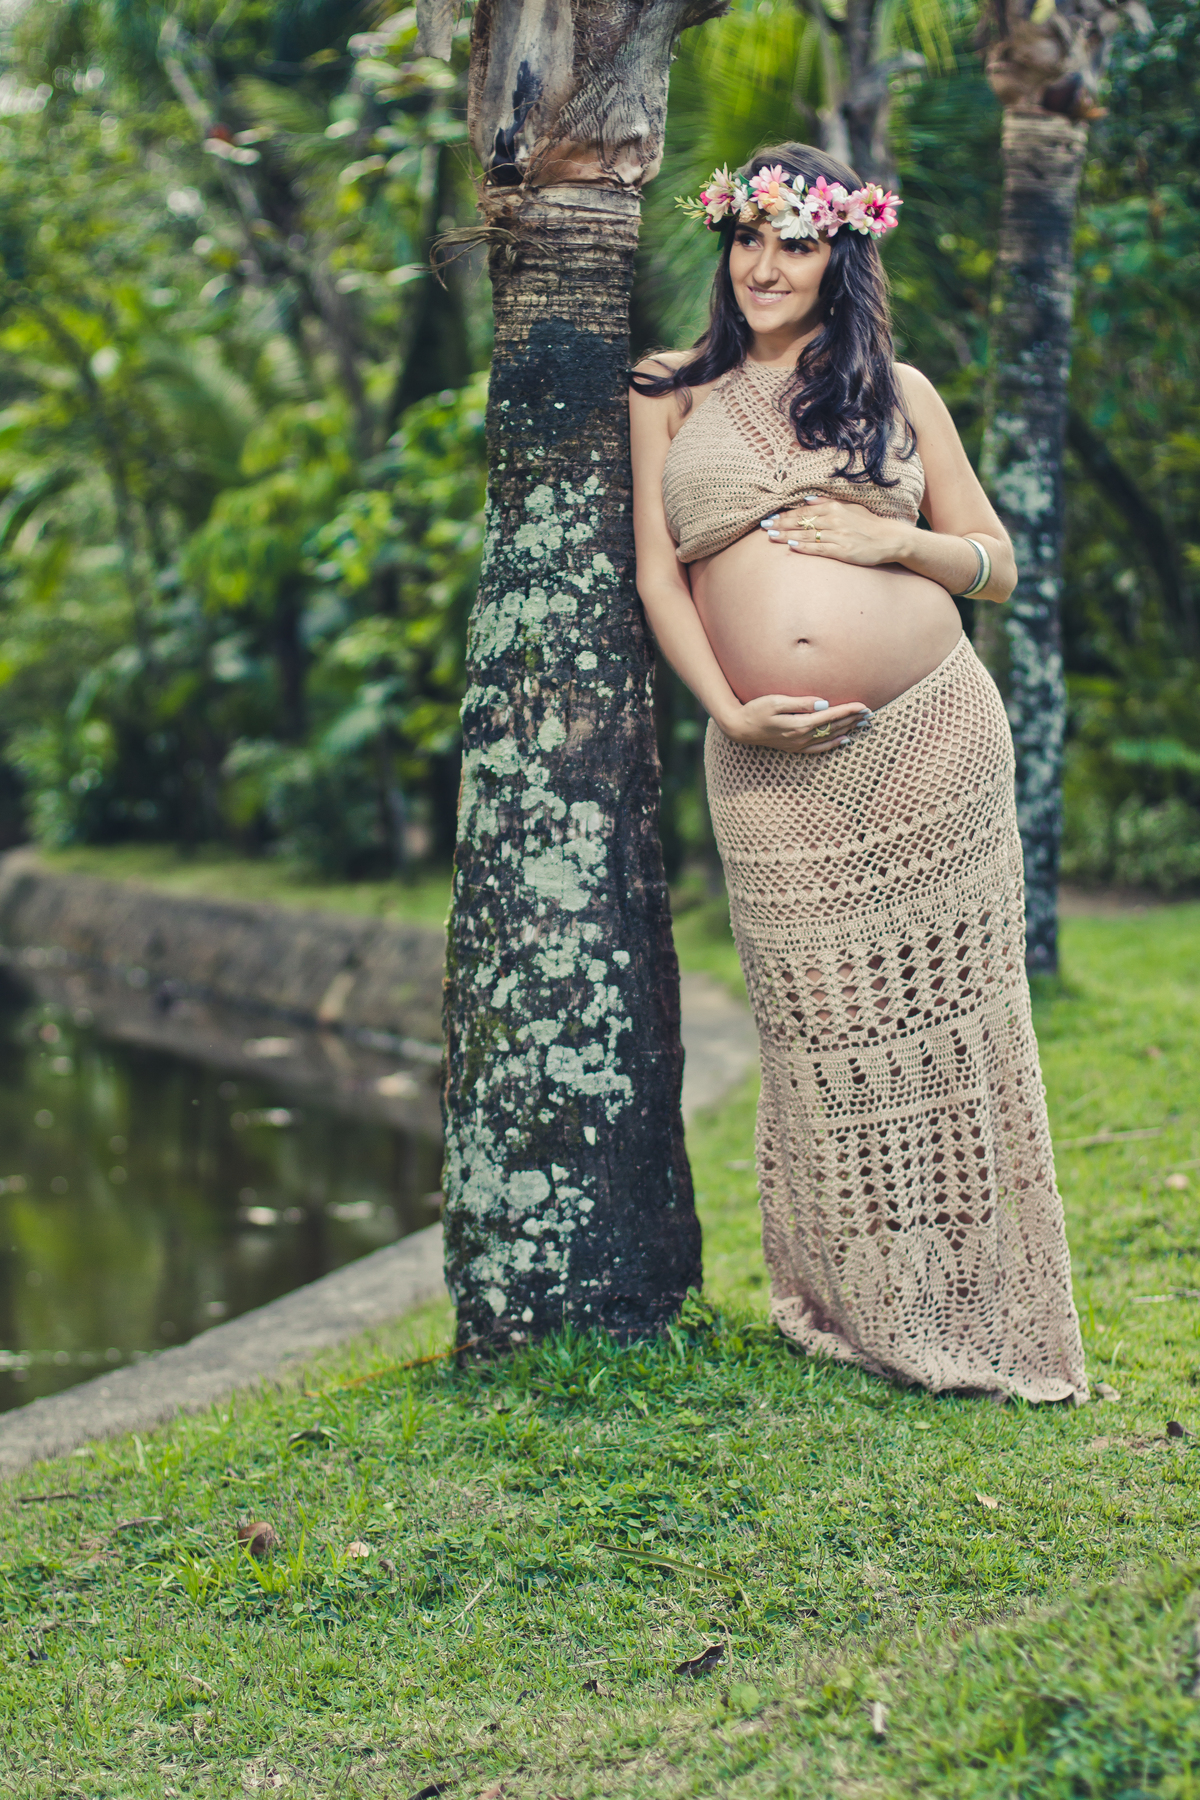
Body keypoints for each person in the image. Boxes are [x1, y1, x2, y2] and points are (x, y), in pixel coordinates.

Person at [629, 142, 1088, 1404]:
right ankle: (860, 1298)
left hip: (935, 737)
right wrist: (730, 711)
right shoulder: (667, 389)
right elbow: (658, 576)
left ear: (843, 254)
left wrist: (898, 540)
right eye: (750, 237)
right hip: (770, 762)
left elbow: (996, 562)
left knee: (954, 1026)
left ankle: (980, 1300)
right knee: (821, 1026)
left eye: (797, 240)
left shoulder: (901, 391)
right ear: (725, 246)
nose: (767, 264)